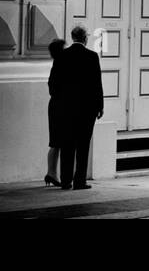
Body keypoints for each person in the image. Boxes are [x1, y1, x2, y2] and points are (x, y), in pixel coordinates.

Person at [54, 25, 104, 189]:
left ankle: (66, 180)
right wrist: (100, 106)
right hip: (86, 110)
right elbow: (97, 84)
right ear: (85, 38)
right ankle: (79, 180)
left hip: (66, 109)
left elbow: (52, 82)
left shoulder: (62, 56)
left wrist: (59, 100)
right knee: (83, 145)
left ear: (72, 37)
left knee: (67, 144)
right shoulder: (92, 56)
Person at [43, 37, 65, 187]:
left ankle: (52, 173)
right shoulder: (60, 65)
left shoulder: (56, 65)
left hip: (55, 106)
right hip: (60, 106)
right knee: (58, 141)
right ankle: (52, 173)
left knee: (56, 142)